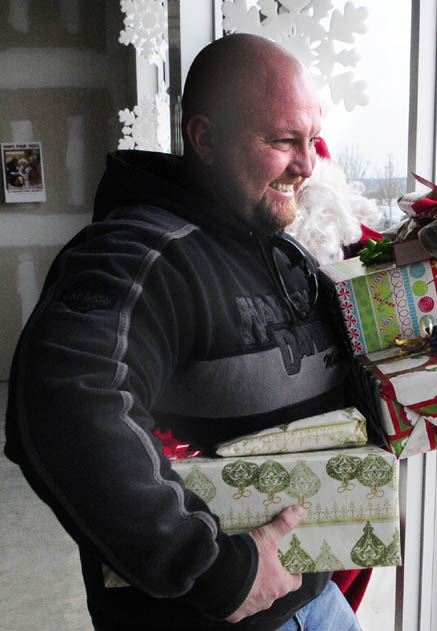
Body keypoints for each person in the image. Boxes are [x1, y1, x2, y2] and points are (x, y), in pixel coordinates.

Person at [4, 34, 362, 630]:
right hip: (220, 612)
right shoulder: (138, 257)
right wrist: (213, 569)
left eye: (310, 141)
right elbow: (62, 405)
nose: (305, 165)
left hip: (313, 599)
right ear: (205, 139)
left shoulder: (271, 245)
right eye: (282, 141)